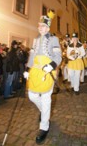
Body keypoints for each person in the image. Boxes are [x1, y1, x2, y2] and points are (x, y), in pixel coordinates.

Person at [24, 10, 62, 144]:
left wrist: (51, 66)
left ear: (48, 28)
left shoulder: (54, 39)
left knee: (46, 98)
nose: (41, 28)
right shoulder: (35, 40)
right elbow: (32, 56)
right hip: (35, 71)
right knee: (32, 96)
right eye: (40, 26)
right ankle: (43, 111)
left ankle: (44, 126)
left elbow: (58, 56)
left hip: (47, 71)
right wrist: (28, 69)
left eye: (44, 26)